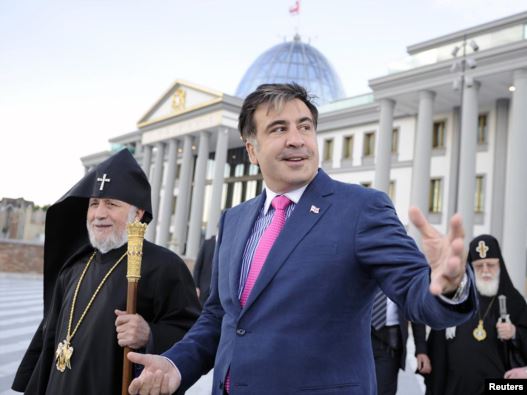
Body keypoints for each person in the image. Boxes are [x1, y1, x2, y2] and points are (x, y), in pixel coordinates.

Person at [128, 83, 476, 395]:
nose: (297, 139)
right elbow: (220, 316)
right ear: (252, 150)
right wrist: (175, 365)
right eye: (279, 129)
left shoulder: (361, 208)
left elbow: (415, 292)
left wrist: (448, 286)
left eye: (305, 127)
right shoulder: (233, 220)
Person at [12, 149, 201, 394]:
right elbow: (49, 340)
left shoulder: (165, 266)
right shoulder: (73, 267)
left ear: (138, 213)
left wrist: (150, 334)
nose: (99, 214)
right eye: (94, 204)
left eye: (111, 204)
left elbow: (194, 334)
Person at [425, 234, 527, 395]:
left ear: (500, 265)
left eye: (490, 265)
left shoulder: (514, 302)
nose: (485, 270)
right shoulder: (456, 299)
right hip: (457, 388)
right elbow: (437, 350)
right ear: (471, 268)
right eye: (479, 266)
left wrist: (514, 333)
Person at [371, 290, 430, 395]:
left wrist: (421, 350)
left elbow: (415, 309)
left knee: (383, 389)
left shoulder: (403, 274)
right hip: (361, 333)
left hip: (390, 341)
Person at [193, 236, 216, 305]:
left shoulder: (227, 244)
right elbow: (197, 266)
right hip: (203, 289)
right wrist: (196, 286)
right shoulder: (207, 243)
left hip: (218, 291)